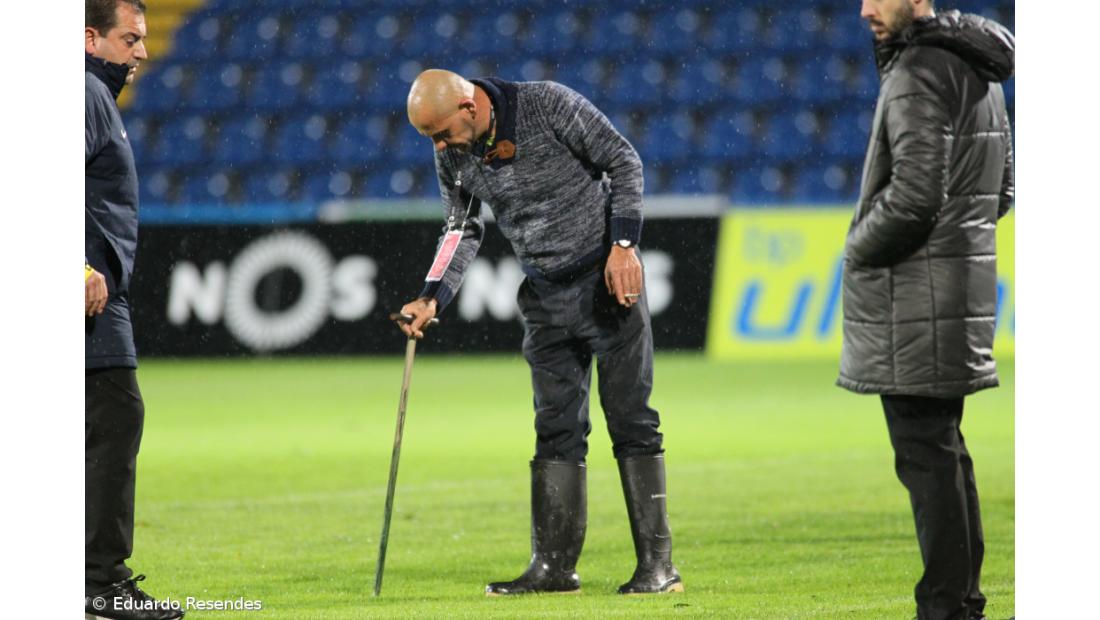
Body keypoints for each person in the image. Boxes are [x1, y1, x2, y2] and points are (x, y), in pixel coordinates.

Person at [397, 69, 682, 596]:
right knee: (555, 430)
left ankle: (658, 570)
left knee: (632, 422)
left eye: (441, 133)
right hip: (544, 297)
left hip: (605, 283)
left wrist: (624, 246)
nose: (439, 147)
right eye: (430, 139)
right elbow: (460, 227)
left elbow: (623, 161)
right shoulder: (453, 152)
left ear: (467, 105)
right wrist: (431, 295)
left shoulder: (547, 106)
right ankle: (554, 569)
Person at [840, 2, 1014, 619]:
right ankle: (963, 600)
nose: (864, 9)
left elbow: (914, 199)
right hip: (957, 291)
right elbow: (1003, 190)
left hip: (916, 299)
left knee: (926, 459)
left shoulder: (919, 70)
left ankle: (944, 606)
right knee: (945, 452)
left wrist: (855, 248)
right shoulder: (977, 69)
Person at [86, 1, 183, 618]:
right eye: (130, 39)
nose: (142, 51)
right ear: (89, 37)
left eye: (145, 39)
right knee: (114, 422)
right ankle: (100, 584)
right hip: (88, 296)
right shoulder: (83, 93)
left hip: (95, 291)